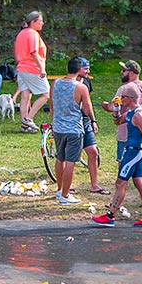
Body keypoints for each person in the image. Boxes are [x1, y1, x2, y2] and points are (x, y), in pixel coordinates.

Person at [92, 84, 142, 228]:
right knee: (139, 183)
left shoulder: (138, 115)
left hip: (134, 152)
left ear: (129, 98)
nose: (120, 99)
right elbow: (117, 121)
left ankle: (110, 215)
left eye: (122, 97)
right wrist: (116, 109)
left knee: (120, 183)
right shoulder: (131, 112)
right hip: (132, 150)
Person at [101, 59, 142, 191]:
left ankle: (119, 197)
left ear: (131, 72)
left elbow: (112, 107)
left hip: (126, 132)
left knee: (122, 163)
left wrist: (105, 105)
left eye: (124, 70)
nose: (121, 72)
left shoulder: (125, 89)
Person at [49, 57, 96, 205]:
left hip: (58, 128)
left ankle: (59, 189)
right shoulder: (81, 87)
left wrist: (53, 121)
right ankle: (65, 195)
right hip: (74, 129)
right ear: (78, 70)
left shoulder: (55, 83)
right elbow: (87, 108)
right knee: (70, 162)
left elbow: (52, 105)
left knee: (59, 158)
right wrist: (93, 121)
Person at [73, 57, 108, 195]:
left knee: (93, 151)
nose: (88, 71)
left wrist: (93, 121)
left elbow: (87, 103)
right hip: (71, 123)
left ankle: (94, 185)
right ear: (78, 69)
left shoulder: (87, 82)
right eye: (85, 68)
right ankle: (66, 186)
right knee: (70, 156)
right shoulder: (67, 83)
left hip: (85, 121)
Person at [13, 11, 48, 133]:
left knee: (25, 96)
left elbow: (17, 53)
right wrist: (42, 68)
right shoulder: (33, 34)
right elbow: (34, 52)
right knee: (45, 94)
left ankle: (24, 126)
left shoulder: (21, 33)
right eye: (40, 21)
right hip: (32, 68)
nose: (42, 23)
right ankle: (28, 119)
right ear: (33, 22)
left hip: (21, 68)